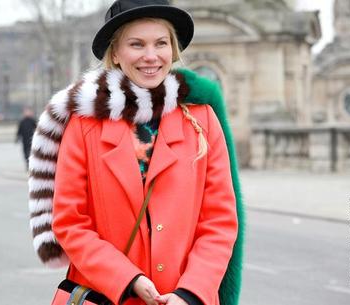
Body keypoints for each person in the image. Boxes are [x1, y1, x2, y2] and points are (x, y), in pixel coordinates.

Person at [28, 1, 244, 305]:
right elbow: (70, 222)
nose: (151, 56)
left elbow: (219, 222)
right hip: (107, 295)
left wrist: (191, 292)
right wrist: (126, 278)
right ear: (115, 53)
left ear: (173, 49)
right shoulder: (83, 126)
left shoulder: (202, 120)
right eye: (136, 44)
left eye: (161, 43)